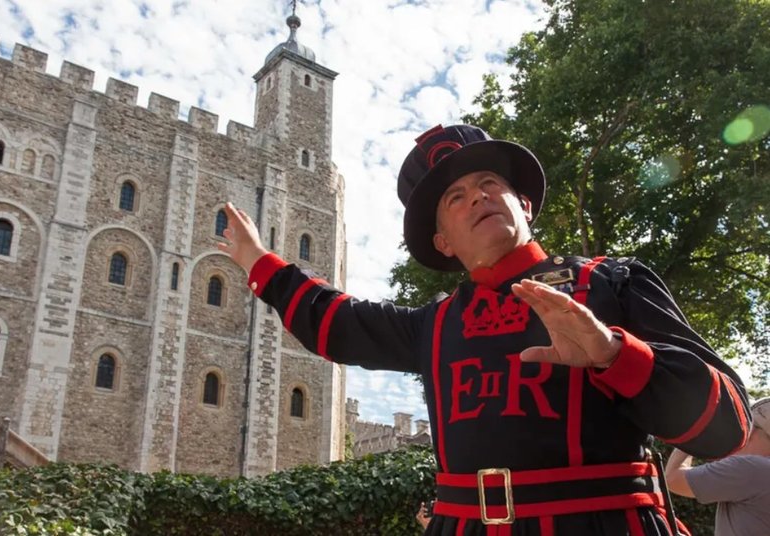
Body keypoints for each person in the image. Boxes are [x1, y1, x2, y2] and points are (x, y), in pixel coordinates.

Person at [217, 124, 752, 535]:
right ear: (443, 241)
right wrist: (259, 262)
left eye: (489, 183)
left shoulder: (614, 282)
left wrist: (613, 354)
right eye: (455, 197)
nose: (476, 196)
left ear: (523, 205)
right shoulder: (432, 326)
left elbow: (726, 426)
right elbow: (336, 322)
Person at [664, 397, 770, 535]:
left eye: (744, 426)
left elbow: (672, 478)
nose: (740, 434)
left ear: (752, 432)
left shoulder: (751, 468)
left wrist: (696, 429)